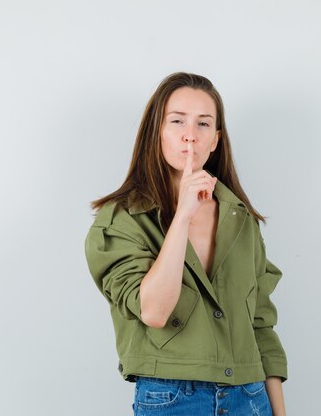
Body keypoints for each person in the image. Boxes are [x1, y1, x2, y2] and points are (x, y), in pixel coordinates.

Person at [84, 72, 288, 416]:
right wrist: (182, 216)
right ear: (156, 132)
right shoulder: (123, 219)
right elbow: (154, 311)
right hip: (172, 398)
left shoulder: (240, 219)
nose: (190, 136)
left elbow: (261, 325)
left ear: (216, 139)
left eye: (204, 124)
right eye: (177, 120)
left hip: (251, 398)